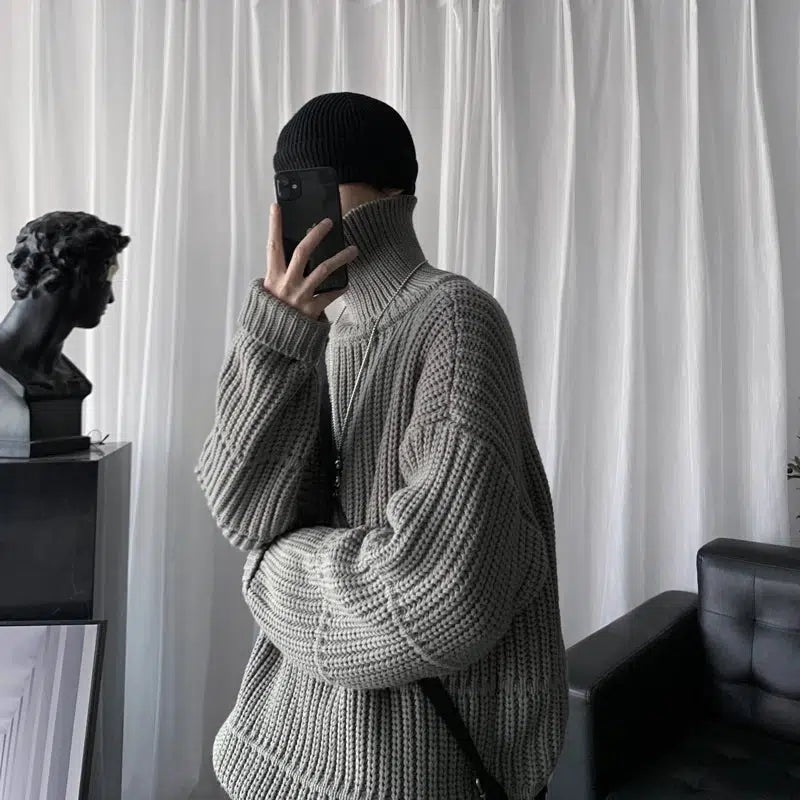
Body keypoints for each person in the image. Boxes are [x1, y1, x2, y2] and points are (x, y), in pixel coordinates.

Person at [196, 92, 567, 800]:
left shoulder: (455, 319)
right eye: (286, 190)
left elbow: (440, 589)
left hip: (413, 767)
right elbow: (242, 512)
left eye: (315, 185)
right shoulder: (322, 335)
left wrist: (272, 572)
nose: (298, 212)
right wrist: (276, 337)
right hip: (288, 745)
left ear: (393, 190)